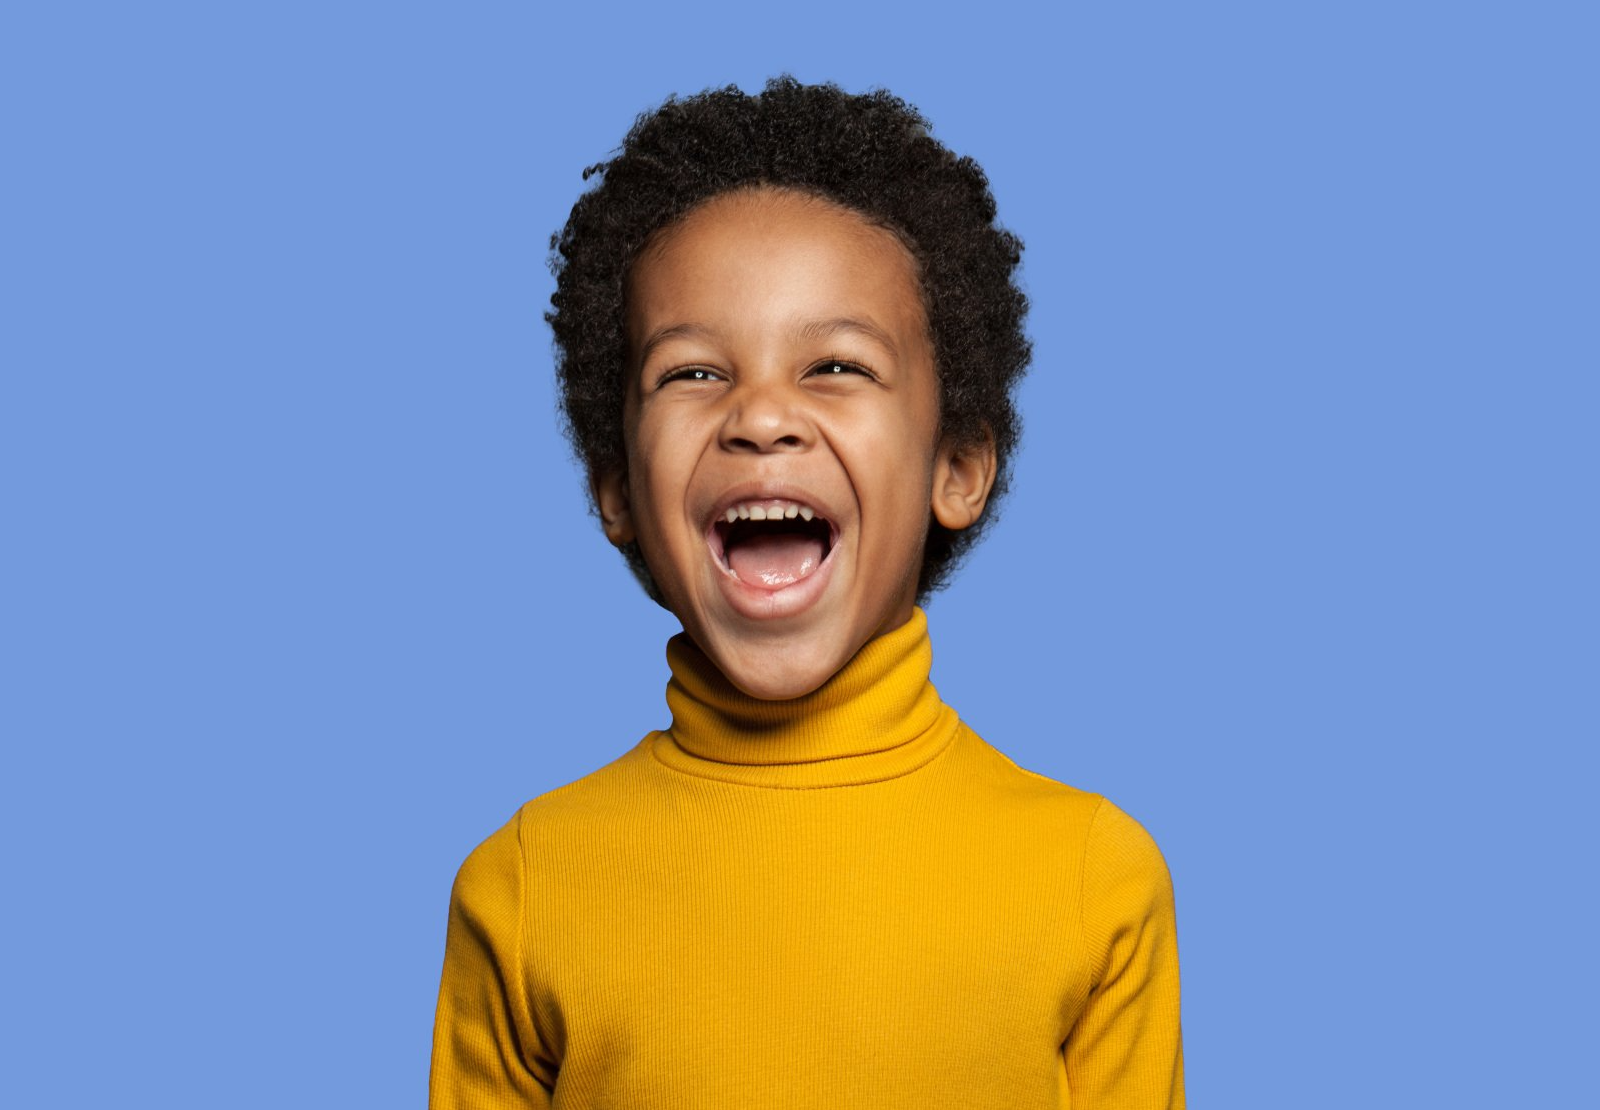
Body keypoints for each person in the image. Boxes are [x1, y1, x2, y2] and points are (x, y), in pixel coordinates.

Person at [430, 76, 1184, 1109]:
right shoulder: (522, 890)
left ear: (955, 468)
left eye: (834, 365)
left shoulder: (1091, 879)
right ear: (616, 489)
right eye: (693, 373)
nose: (762, 418)